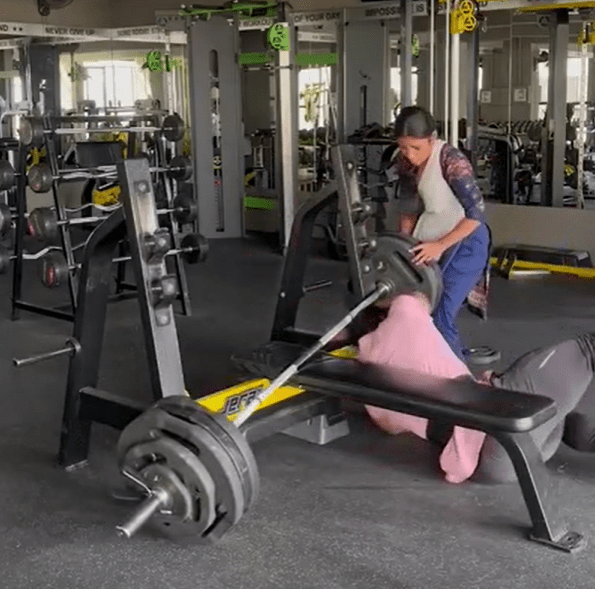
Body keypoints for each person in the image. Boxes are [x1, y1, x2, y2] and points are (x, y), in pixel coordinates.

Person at [355, 292, 595, 484]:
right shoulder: (404, 314)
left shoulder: (367, 374)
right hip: (499, 435)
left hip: (497, 466)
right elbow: (416, 294)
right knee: (589, 349)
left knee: (557, 416)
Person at [386, 106, 491, 361]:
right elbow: (409, 209)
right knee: (416, 311)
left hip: (466, 243)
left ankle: (459, 388)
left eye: (416, 148)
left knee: (441, 314)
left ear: (431, 139)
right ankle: (427, 372)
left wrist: (441, 245)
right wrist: (404, 250)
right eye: (404, 147)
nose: (409, 155)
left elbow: (476, 213)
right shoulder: (405, 161)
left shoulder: (451, 161)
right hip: (428, 244)